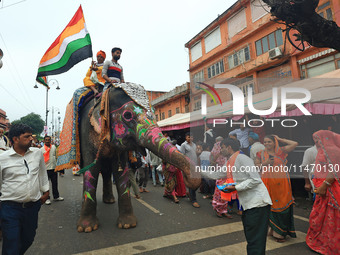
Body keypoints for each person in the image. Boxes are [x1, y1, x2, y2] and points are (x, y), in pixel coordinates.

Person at [0, 124, 49, 254]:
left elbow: (42, 173)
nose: (31, 139)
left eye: (31, 136)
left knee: (28, 239)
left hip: (32, 207)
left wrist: (46, 191)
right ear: (15, 139)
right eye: (27, 137)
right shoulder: (2, 159)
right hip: (10, 208)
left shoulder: (37, 153)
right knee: (11, 243)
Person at [220, 138, 272, 255]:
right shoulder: (230, 161)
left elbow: (255, 179)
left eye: (222, 147)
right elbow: (217, 174)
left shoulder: (243, 158)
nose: (221, 150)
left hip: (258, 204)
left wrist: (236, 187)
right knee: (252, 238)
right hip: (248, 204)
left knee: (255, 241)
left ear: (229, 147)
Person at [255, 134, 298, 242]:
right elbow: (256, 167)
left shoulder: (281, 151)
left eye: (269, 141)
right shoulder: (260, 154)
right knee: (270, 205)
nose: (266, 144)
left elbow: (295, 144)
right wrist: (266, 163)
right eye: (265, 142)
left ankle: (279, 231)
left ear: (274, 142)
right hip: (268, 183)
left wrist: (280, 139)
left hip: (282, 183)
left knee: (284, 204)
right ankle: (275, 231)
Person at [306, 130, 340, 254]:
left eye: (318, 139)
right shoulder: (323, 149)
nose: (316, 141)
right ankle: (322, 240)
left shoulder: (333, 150)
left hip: (330, 188)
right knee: (322, 215)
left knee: (331, 216)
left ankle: (331, 244)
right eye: (315, 139)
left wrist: (324, 186)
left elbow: (335, 170)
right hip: (323, 187)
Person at [210, 137, 232, 218]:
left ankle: (224, 211)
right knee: (220, 194)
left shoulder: (230, 155)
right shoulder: (219, 148)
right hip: (220, 173)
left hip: (227, 176)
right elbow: (214, 157)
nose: (222, 149)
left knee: (225, 194)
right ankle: (218, 210)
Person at [40, 136, 64, 205]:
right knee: (46, 185)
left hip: (53, 168)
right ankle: (47, 198)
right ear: (44, 141)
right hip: (45, 169)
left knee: (55, 183)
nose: (47, 141)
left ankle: (56, 196)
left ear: (51, 141)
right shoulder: (41, 150)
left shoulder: (53, 147)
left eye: (49, 140)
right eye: (46, 140)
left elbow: (56, 156)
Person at [181, 133, 200, 208]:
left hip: (195, 165)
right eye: (189, 137)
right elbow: (182, 155)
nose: (190, 138)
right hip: (188, 166)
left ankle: (190, 194)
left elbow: (195, 154)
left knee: (196, 182)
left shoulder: (194, 145)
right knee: (192, 183)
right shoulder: (183, 145)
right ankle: (194, 200)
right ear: (186, 138)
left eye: (192, 137)